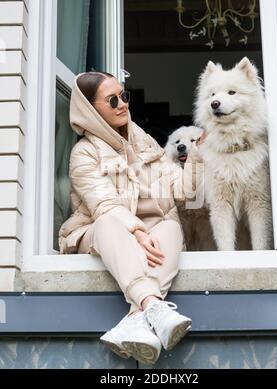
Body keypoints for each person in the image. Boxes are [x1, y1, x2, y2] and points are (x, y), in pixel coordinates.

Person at [58, 72, 204, 365]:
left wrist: (199, 153)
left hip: (152, 232)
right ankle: (153, 305)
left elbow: (183, 191)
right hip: (99, 232)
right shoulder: (83, 153)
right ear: (91, 110)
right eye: (112, 100)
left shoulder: (144, 141)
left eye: (124, 96)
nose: (122, 105)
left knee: (172, 227)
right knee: (108, 223)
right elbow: (104, 205)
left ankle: (135, 320)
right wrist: (137, 232)